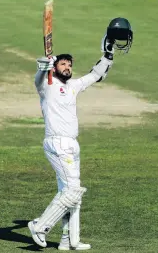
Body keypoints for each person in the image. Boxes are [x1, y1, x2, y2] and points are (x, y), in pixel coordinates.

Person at [28, 35, 115, 251]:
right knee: (72, 191)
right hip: (57, 144)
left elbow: (95, 75)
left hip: (72, 144)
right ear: (54, 67)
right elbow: (38, 79)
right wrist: (43, 66)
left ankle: (69, 240)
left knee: (70, 194)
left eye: (69, 65)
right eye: (63, 64)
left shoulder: (73, 86)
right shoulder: (47, 85)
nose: (67, 67)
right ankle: (40, 226)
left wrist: (108, 56)